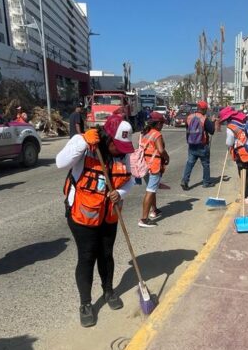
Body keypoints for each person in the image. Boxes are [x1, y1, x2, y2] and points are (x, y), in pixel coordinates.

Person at [55, 114, 135, 328]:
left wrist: (120, 192)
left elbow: (131, 180)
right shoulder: (85, 143)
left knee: (106, 254)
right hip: (83, 214)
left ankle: (108, 291)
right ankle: (86, 303)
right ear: (107, 138)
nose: (120, 150)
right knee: (88, 256)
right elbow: (60, 162)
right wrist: (82, 142)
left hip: (109, 214)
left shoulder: (123, 153)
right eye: (116, 145)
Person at [220, 106, 248, 203]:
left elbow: (229, 143)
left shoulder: (231, 126)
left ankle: (246, 197)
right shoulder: (246, 119)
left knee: (243, 174)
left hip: (243, 153)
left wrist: (230, 146)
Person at [138, 111, 169, 228]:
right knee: (150, 191)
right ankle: (144, 219)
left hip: (145, 165)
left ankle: (154, 210)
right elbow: (161, 150)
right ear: (157, 123)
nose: (163, 126)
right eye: (161, 123)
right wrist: (167, 158)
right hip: (154, 166)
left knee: (152, 188)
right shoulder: (156, 134)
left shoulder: (144, 133)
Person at [180, 100, 215, 190]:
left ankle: (185, 180)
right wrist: (213, 122)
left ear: (198, 108)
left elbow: (187, 130)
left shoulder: (189, 117)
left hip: (192, 145)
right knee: (205, 164)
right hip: (202, 145)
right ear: (204, 109)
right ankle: (206, 182)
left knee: (190, 163)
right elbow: (212, 131)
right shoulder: (204, 119)